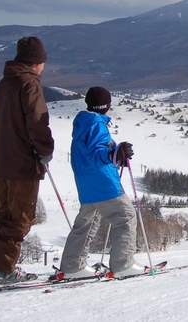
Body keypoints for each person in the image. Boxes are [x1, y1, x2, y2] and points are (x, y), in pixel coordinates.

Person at [0, 36, 55, 285]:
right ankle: (0, 269)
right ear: (36, 62)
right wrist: (45, 150)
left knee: (4, 216)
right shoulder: (29, 84)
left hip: (1, 161)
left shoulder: (5, 83)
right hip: (22, 162)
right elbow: (37, 120)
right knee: (20, 218)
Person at [56, 86, 143, 279]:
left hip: (86, 184)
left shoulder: (83, 124)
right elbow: (97, 153)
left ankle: (73, 266)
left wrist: (115, 153)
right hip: (103, 184)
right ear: (107, 106)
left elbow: (89, 155)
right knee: (126, 217)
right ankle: (123, 264)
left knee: (87, 223)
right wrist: (114, 154)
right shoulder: (96, 125)